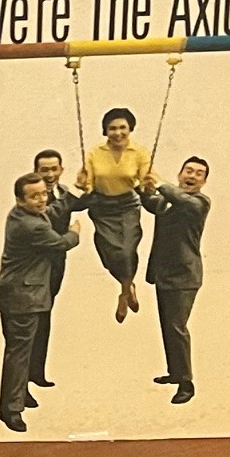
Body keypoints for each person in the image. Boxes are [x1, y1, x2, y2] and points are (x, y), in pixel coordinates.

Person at [0, 172, 80, 432]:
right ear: (20, 200)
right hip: (23, 297)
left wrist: (74, 190)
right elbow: (61, 243)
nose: (42, 199)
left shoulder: (23, 214)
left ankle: (18, 396)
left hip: (18, 294)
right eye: (34, 196)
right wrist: (75, 231)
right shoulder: (32, 226)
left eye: (44, 193)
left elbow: (52, 210)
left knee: (20, 351)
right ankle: (11, 410)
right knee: (19, 354)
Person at [142, 157, 212, 405]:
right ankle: (175, 372)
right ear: (180, 173)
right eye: (188, 171)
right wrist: (145, 187)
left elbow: (181, 201)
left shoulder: (200, 203)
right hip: (163, 273)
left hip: (185, 276)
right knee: (167, 326)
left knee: (177, 328)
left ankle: (186, 383)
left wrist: (159, 183)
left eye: (199, 174)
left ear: (204, 182)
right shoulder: (170, 201)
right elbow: (153, 204)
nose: (192, 176)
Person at [74, 106, 152, 323]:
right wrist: (83, 184)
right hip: (102, 207)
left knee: (126, 250)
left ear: (130, 129)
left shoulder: (140, 152)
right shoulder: (94, 152)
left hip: (127, 205)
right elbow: (87, 180)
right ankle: (128, 286)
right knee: (110, 254)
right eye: (112, 128)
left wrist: (150, 185)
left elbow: (146, 178)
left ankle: (124, 293)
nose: (118, 133)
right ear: (105, 131)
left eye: (122, 128)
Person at [29, 148, 84, 389]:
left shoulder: (62, 193)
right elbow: (52, 214)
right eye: (44, 170)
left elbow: (86, 200)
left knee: (45, 317)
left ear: (61, 170)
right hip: (35, 269)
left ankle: (36, 373)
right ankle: (26, 378)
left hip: (56, 266)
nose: (50, 174)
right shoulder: (32, 197)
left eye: (54, 169)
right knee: (33, 321)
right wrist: (74, 233)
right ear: (36, 172)